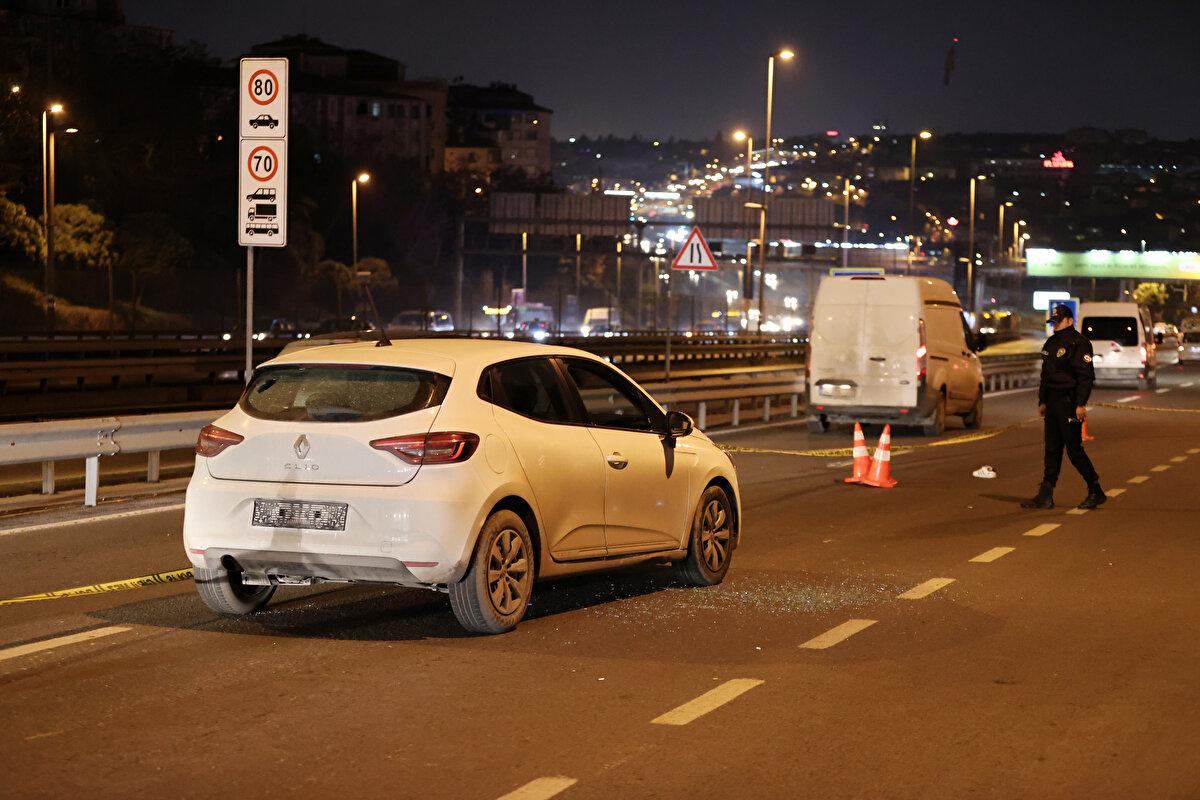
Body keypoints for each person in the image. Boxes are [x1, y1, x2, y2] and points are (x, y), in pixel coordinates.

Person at [1022, 304, 1106, 509]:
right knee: (1051, 449)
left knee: (1074, 449)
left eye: (1059, 321)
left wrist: (1080, 403)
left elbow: (1085, 377)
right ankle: (1046, 494)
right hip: (1052, 402)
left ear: (1070, 320)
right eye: (1053, 322)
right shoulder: (1051, 343)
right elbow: (1045, 375)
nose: (1055, 325)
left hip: (1069, 402)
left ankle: (1095, 489)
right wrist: (1042, 400)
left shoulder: (1080, 343)